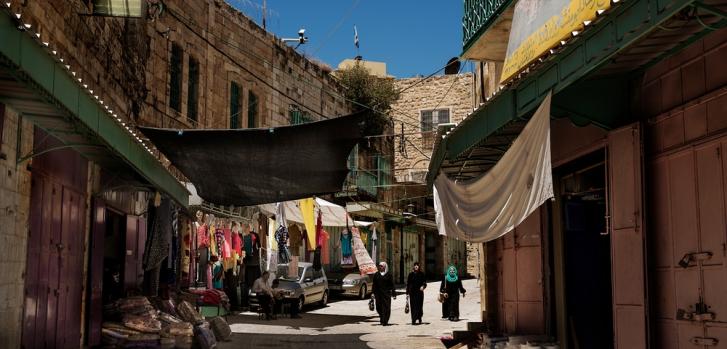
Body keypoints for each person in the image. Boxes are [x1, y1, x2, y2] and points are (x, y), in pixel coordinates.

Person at [372, 261, 395, 326]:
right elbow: (374, 285)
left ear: (385, 267)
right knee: (378, 307)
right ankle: (382, 317)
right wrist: (373, 293)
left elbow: (392, 284)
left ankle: (385, 320)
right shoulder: (376, 274)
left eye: (381, 266)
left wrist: (393, 293)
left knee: (386, 307)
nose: (380, 267)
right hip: (378, 294)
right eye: (379, 266)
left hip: (386, 294)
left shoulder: (389, 275)